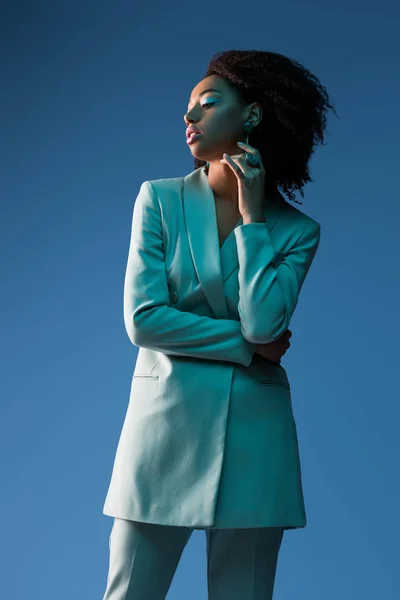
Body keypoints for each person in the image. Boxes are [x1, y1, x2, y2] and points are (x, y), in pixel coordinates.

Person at [101, 49, 337, 600]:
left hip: (255, 437)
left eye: (207, 104)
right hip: (164, 431)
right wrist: (247, 349)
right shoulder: (159, 199)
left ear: (252, 115)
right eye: (188, 108)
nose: (190, 118)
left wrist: (254, 220)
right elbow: (144, 320)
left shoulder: (297, 230)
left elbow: (263, 325)